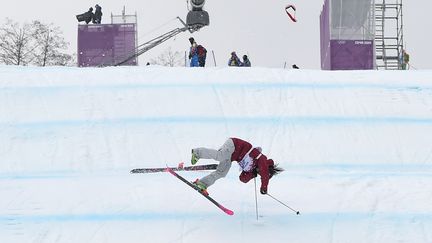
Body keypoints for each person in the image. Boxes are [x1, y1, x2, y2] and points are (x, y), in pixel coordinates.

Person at [191, 138, 283, 195]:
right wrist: (264, 188)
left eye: (259, 173)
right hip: (234, 145)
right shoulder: (262, 159)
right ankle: (197, 152)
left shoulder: (253, 169)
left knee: (222, 173)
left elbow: (242, 179)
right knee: (220, 156)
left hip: (230, 156)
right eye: (263, 173)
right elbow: (264, 173)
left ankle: (202, 183)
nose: (260, 173)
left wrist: (252, 174)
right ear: (267, 168)